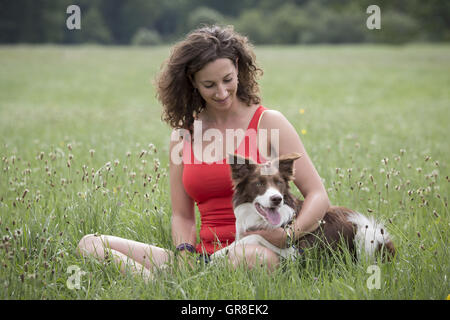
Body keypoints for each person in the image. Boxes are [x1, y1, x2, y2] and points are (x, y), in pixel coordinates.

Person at [77, 25, 330, 280]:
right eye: (209, 84)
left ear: (238, 68)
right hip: (204, 256)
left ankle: (182, 283)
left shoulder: (269, 122)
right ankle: (155, 285)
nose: (221, 92)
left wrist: (288, 235)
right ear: (193, 82)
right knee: (91, 244)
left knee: (250, 258)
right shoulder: (182, 137)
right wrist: (185, 254)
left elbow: (318, 195)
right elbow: (182, 215)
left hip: (260, 251)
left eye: (227, 80)